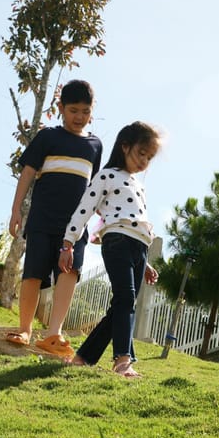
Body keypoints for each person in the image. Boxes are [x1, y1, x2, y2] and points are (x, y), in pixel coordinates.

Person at [6, 79, 103, 357]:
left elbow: (94, 188)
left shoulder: (95, 145)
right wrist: (16, 211)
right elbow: (26, 174)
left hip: (76, 226)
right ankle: (25, 329)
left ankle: (53, 333)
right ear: (60, 108)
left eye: (85, 111)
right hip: (42, 219)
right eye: (73, 110)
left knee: (69, 272)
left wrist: (99, 224)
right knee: (34, 272)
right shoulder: (47, 138)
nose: (79, 117)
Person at [58, 121, 161, 377]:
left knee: (121, 306)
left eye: (149, 157)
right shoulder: (106, 176)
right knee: (126, 300)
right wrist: (68, 243)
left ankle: (83, 358)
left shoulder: (138, 185)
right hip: (117, 242)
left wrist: (146, 263)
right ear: (125, 146)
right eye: (141, 153)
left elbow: (137, 220)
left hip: (139, 246)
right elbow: (84, 210)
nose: (144, 161)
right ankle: (123, 360)